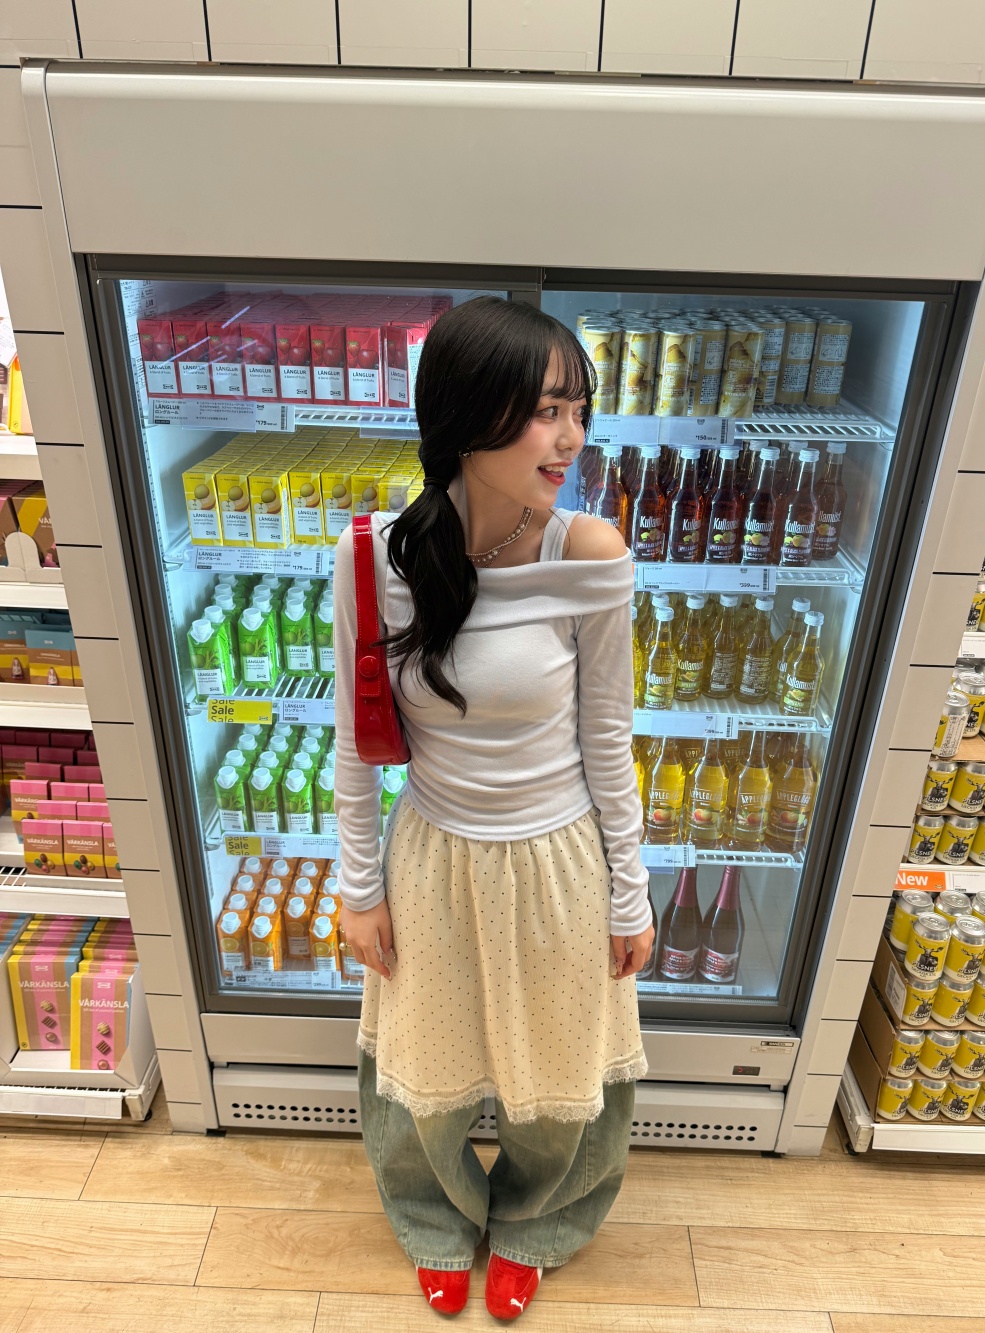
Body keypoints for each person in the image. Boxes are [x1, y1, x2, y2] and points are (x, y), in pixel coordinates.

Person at [333, 295, 654, 1320]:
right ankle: (434, 1218)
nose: (571, 437)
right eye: (546, 411)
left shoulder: (589, 552)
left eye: (578, 410)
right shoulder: (375, 558)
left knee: (558, 1077)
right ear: (470, 415)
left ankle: (535, 1223)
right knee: (418, 1080)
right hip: (431, 855)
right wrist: (358, 888)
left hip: (558, 861)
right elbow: (353, 742)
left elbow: (608, 739)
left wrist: (631, 893)